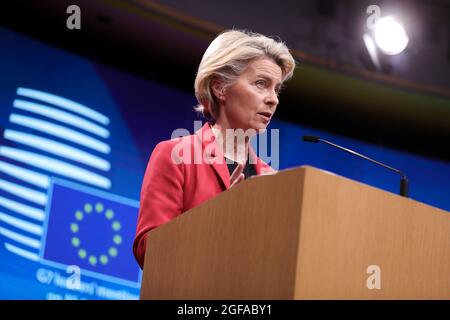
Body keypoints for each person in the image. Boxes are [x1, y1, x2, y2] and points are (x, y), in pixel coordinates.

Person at [133, 29, 296, 268]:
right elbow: (149, 252)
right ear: (220, 88)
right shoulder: (175, 156)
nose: (274, 99)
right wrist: (220, 218)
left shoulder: (272, 181)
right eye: (261, 84)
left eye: (276, 88)